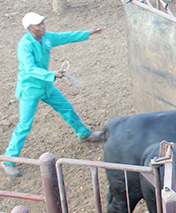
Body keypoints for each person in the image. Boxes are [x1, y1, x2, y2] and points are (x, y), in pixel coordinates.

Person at [2, 13, 105, 178]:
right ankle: (8, 160)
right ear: (30, 28)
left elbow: (65, 36)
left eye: (43, 23)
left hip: (46, 86)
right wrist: (52, 74)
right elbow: (29, 69)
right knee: (24, 124)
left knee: (66, 108)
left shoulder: (46, 38)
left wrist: (88, 33)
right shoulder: (24, 45)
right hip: (30, 88)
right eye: (39, 25)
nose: (43, 26)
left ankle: (84, 134)